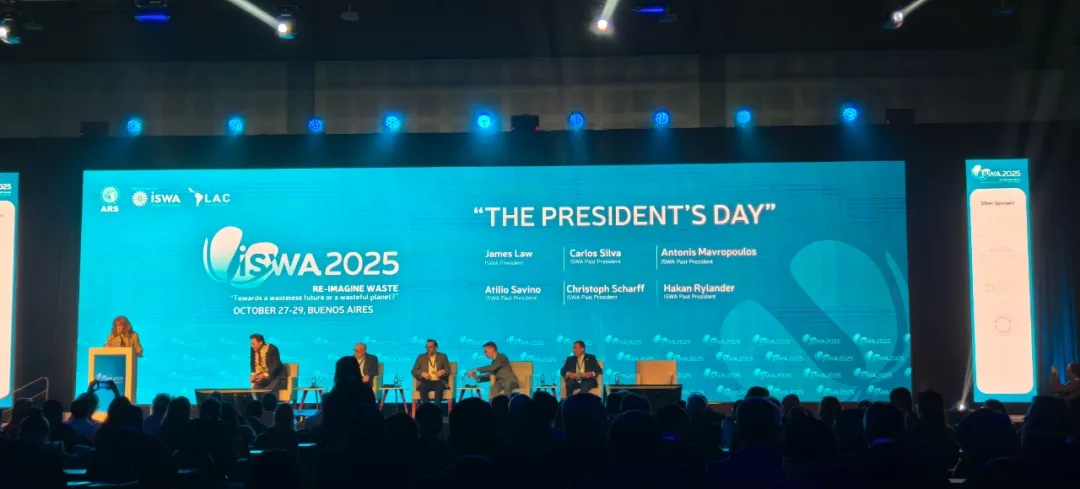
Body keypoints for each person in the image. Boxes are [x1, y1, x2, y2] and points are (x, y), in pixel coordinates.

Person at [411, 339, 451, 405]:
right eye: (427, 347)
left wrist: (443, 372)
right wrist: (422, 373)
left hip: (439, 381)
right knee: (422, 387)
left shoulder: (443, 356)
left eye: (430, 347)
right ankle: (427, 407)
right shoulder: (421, 357)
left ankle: (436, 409)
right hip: (427, 381)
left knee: (439, 388)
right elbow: (414, 371)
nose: (428, 349)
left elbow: (448, 370)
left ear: (436, 347)